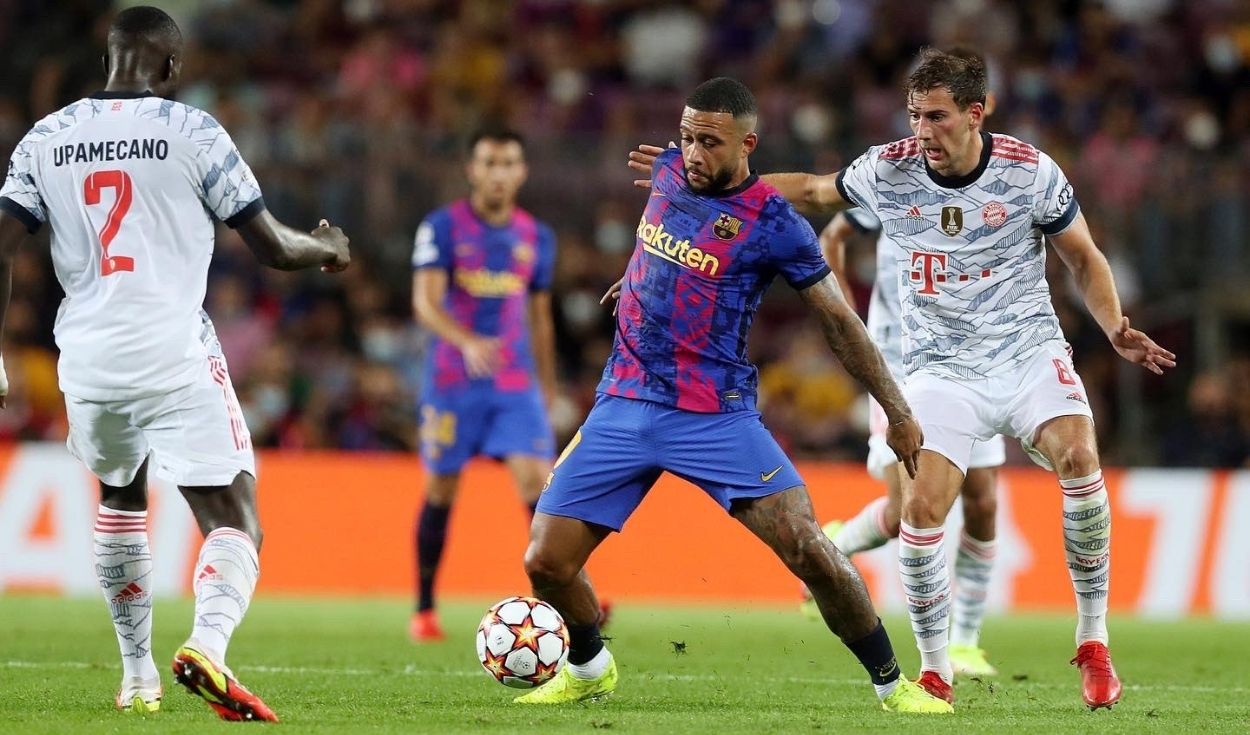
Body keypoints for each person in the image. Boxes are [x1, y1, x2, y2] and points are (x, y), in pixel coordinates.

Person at [631, 49, 1175, 710]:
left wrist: (1114, 325)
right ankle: (937, 670)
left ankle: (1093, 642)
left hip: (1026, 352)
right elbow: (813, 190)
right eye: (915, 115)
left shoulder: (1030, 172)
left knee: (1080, 459)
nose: (922, 131)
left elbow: (1083, 256)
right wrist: (700, 182)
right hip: (938, 368)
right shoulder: (889, 168)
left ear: (977, 113)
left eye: (937, 117)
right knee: (918, 510)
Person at [518, 77, 951, 715]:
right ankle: (589, 668)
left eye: (710, 142)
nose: (693, 153)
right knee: (545, 563)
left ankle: (892, 684)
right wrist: (635, 280)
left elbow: (839, 322)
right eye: (687, 137)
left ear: (747, 144)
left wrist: (898, 409)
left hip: (713, 416)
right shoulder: (668, 172)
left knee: (808, 546)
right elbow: (663, 242)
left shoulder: (776, 224)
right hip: (623, 401)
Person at [0, 6, 350, 722]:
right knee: (236, 515)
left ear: (109, 61)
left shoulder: (46, 136)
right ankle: (208, 645)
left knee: (120, 495)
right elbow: (273, 248)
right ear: (170, 67)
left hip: (86, 360)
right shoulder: (193, 131)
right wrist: (327, 247)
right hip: (171, 350)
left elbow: (1, 244)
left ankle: (138, 677)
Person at [799, 207, 1005, 680]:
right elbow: (832, 237)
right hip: (898, 366)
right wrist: (849, 319)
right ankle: (839, 544)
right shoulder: (890, 185)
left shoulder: (986, 191)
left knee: (984, 502)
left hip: (970, 362)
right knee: (904, 512)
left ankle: (966, 641)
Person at [409, 128, 559, 642]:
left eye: (508, 163)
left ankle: (562, 600)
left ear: (522, 172)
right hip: (453, 382)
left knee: (537, 483)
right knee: (441, 489)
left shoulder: (536, 237)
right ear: (472, 170)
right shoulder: (443, 227)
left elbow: (540, 318)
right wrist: (467, 341)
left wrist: (548, 386)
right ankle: (424, 608)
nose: (499, 173)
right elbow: (426, 303)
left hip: (515, 383)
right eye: (489, 162)